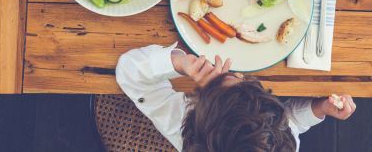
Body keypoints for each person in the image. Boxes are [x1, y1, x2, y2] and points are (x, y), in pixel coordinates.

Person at [116, 43, 357, 151]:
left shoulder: (185, 125)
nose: (240, 73)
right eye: (247, 82)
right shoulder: (280, 144)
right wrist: (320, 108)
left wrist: (181, 63)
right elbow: (292, 123)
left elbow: (129, 71)